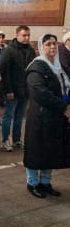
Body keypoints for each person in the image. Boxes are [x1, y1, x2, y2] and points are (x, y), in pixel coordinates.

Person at [24, 34, 70, 198]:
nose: (52, 47)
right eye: (48, 44)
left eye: (54, 44)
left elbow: (64, 87)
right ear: (41, 47)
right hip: (40, 118)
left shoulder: (57, 66)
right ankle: (32, 183)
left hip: (54, 117)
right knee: (35, 151)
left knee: (50, 151)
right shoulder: (36, 67)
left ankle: (45, 182)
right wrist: (64, 106)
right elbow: (40, 93)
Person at [0, 26, 36, 152]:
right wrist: (8, 90)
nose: (26, 38)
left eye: (28, 35)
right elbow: (5, 72)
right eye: (24, 35)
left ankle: (16, 139)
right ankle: (5, 140)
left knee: (20, 116)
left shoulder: (31, 51)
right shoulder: (9, 50)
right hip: (12, 89)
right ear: (17, 35)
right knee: (8, 115)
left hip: (25, 90)